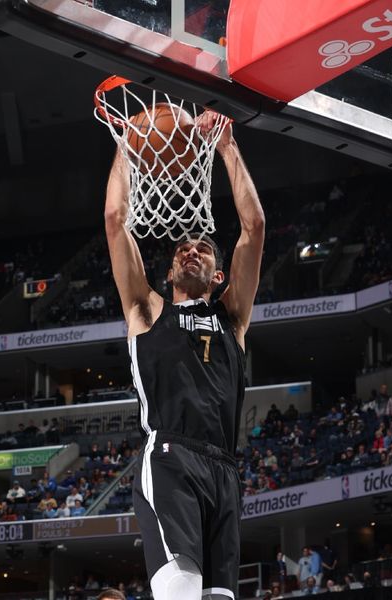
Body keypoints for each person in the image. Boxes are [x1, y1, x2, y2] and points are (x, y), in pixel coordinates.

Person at [105, 113, 264, 600]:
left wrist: (227, 146)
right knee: (182, 593)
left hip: (225, 471)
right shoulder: (146, 309)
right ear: (170, 270)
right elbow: (115, 221)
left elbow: (254, 226)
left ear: (219, 275)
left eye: (204, 248)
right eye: (183, 248)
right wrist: (127, 147)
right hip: (172, 458)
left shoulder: (232, 318)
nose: (192, 250)